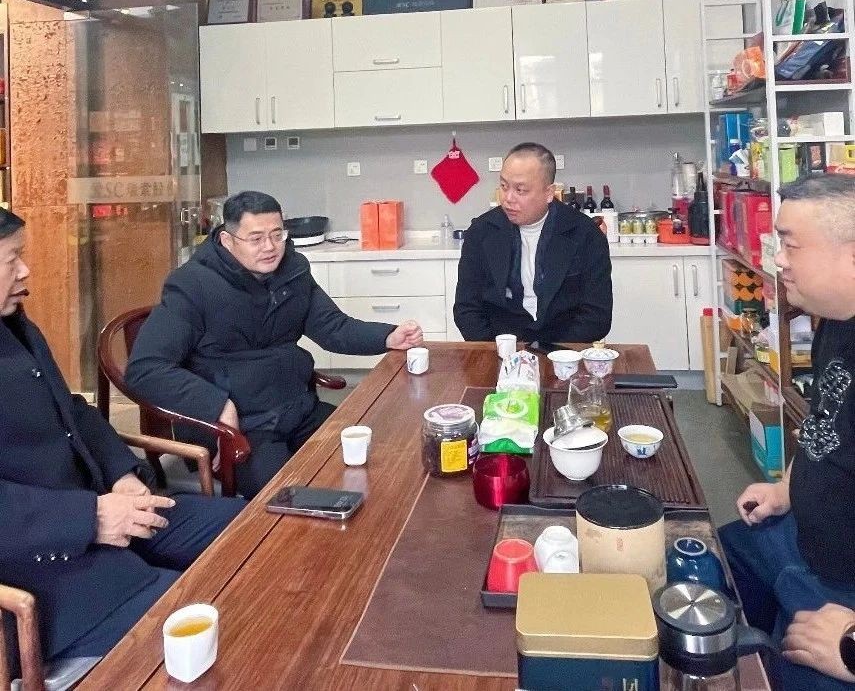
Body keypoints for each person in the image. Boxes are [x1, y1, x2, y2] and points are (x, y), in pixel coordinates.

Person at [0, 206, 245, 675]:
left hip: (104, 506)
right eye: (12, 259)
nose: (26, 270)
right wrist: (89, 518)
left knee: (251, 529)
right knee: (217, 618)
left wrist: (122, 473)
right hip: (39, 568)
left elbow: (72, 410)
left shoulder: (17, 328)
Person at [126, 191, 423, 499]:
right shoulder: (192, 285)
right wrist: (217, 405)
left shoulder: (293, 270)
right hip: (241, 429)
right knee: (289, 501)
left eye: (277, 235)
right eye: (256, 239)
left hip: (298, 408)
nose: (269, 247)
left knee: (372, 463)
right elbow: (145, 369)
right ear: (227, 240)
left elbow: (332, 327)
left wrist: (387, 336)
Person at [719, 174, 855, 690]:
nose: (777, 260)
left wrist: (852, 643)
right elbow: (825, 427)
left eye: (790, 245)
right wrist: (787, 489)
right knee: (707, 561)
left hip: (845, 599)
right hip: (807, 540)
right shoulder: (836, 320)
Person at [453, 142, 612, 344]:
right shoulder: (481, 232)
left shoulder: (585, 234)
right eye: (504, 186)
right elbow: (467, 309)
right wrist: (497, 350)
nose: (508, 198)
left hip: (564, 350)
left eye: (520, 190)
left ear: (549, 193)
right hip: (500, 346)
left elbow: (597, 316)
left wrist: (556, 352)